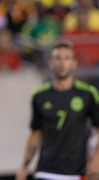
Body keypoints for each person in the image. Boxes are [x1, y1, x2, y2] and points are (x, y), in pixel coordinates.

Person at [15, 40, 99, 180]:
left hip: (77, 172)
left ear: (74, 63)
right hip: (46, 171)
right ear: (51, 63)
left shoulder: (87, 94)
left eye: (67, 58)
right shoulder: (39, 96)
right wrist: (24, 167)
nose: (62, 63)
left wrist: (97, 158)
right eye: (57, 58)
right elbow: (35, 133)